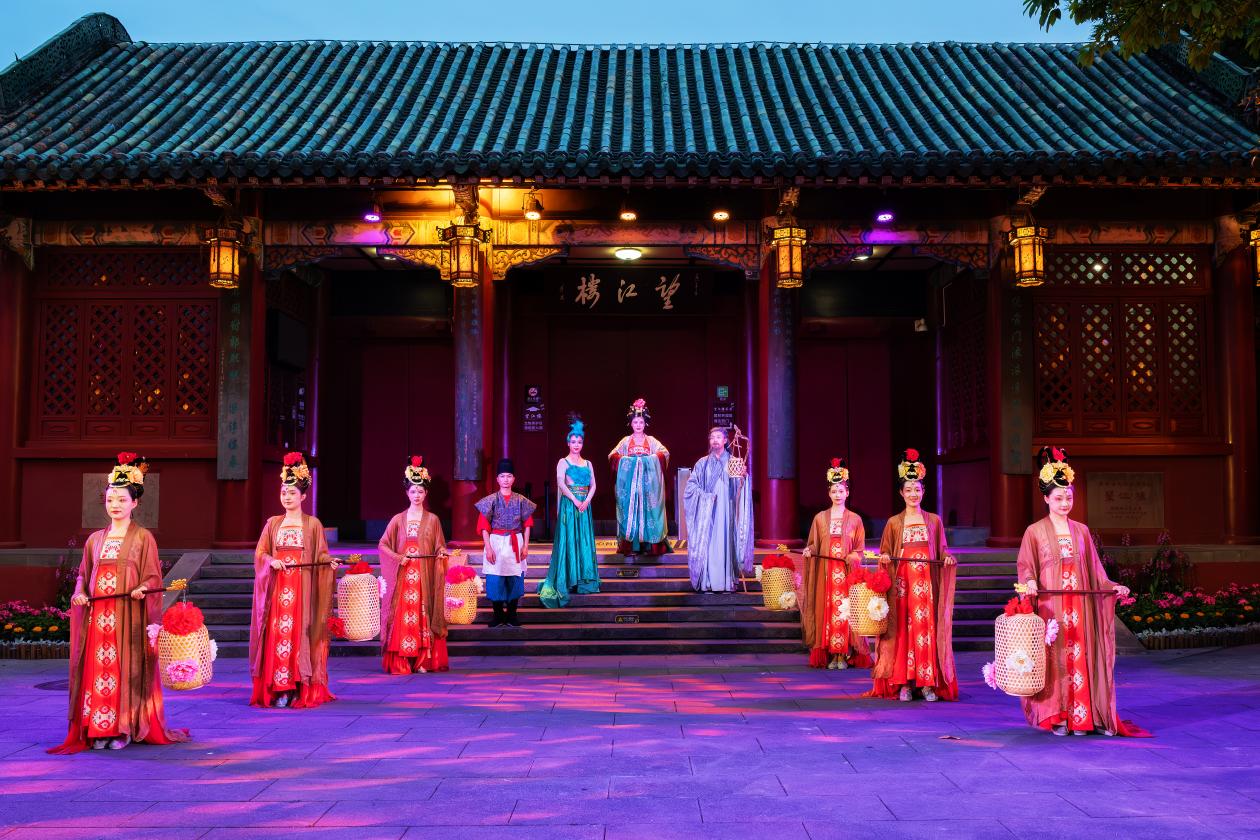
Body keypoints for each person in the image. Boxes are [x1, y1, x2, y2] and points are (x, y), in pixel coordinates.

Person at [50, 453, 189, 753]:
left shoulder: (143, 538)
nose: (115, 504)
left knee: (123, 670)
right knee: (97, 671)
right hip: (97, 620)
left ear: (134, 503)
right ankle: (98, 728)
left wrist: (142, 588)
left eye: (122, 500)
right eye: (110, 499)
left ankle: (122, 728)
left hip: (127, 618)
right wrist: (79, 593)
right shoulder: (94, 540)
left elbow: (153, 577)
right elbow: (83, 575)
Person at [1016, 446, 1147, 736]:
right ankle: (1059, 716)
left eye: (1069, 497)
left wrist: (1112, 586)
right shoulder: (1034, 531)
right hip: (1052, 608)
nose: (1065, 503)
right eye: (1058, 498)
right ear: (1046, 498)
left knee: (1081, 656)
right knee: (1057, 659)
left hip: (1080, 607)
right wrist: (1031, 582)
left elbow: (1095, 570)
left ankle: (1084, 717)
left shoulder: (1081, 531)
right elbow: (1026, 567)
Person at [249, 452, 339, 708]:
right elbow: (260, 553)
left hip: (302, 591)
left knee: (300, 635)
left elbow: (320, 554)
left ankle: (300, 685)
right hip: (277, 592)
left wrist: (328, 562)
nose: (287, 497)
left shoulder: (313, 524)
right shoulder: (273, 524)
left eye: (292, 493)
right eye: (283, 492)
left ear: (303, 497)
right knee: (278, 635)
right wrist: (271, 561)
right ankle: (280, 688)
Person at [869, 449, 959, 702]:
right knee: (903, 632)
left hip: (927, 587)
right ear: (901, 493)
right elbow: (885, 551)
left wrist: (948, 557)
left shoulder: (934, 521)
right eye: (908, 490)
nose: (913, 494)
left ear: (923, 491)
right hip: (903, 587)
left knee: (925, 630)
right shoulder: (893, 522)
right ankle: (904, 683)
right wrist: (885, 558)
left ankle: (927, 683)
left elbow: (942, 549)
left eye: (917, 489)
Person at [799, 458, 873, 670]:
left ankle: (844, 653)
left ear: (847, 493)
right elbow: (814, 544)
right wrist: (809, 550)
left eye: (841, 491)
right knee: (828, 612)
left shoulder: (856, 519)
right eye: (834, 491)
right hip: (826, 576)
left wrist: (853, 556)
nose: (838, 495)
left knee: (846, 611)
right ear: (829, 494)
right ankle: (832, 654)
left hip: (847, 576)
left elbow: (860, 550)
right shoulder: (820, 518)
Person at [377, 455, 449, 673]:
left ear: (426, 493)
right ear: (407, 493)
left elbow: (440, 546)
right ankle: (402, 660)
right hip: (403, 577)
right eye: (413, 491)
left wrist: (442, 553)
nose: (417, 495)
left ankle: (421, 660)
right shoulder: (398, 519)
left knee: (422, 615)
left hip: (423, 578)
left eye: (420, 491)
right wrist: (398, 558)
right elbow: (383, 545)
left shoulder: (433, 520)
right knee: (403, 616)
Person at [682, 426, 754, 592]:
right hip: (708, 510)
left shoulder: (733, 461)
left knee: (726, 542)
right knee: (709, 544)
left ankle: (726, 582)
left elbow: (740, 486)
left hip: (727, 510)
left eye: (718, 437)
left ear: (725, 440)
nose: (715, 440)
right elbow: (690, 487)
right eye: (712, 437)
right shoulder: (702, 463)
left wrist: (744, 477)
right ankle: (708, 581)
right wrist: (705, 497)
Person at [538, 417, 600, 608]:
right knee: (569, 540)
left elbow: (593, 485)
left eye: (579, 441)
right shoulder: (563, 462)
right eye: (573, 441)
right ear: (568, 443)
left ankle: (583, 579)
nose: (576, 445)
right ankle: (568, 578)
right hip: (570, 504)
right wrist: (575, 500)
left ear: (583, 443)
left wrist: (586, 501)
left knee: (584, 541)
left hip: (584, 506)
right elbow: (560, 483)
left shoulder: (588, 463)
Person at [476, 459, 536, 628]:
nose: (506, 479)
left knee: (514, 578)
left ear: (513, 479)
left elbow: (527, 524)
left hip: (515, 541)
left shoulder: (521, 500)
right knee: (495, 579)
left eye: (509, 476)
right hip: (496, 541)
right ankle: (497, 615)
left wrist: (526, 546)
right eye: (502, 476)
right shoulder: (489, 501)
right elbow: (484, 527)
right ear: (497, 479)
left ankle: (511, 615)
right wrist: (488, 548)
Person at [608, 398, 671, 560]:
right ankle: (632, 546)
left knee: (649, 513)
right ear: (631, 423)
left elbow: (664, 454)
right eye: (635, 422)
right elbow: (612, 456)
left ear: (645, 423)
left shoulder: (651, 441)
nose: (638, 425)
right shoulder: (625, 441)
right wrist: (628, 461)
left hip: (648, 486)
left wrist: (648, 460)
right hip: (630, 487)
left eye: (641, 422)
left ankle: (651, 546)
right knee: (631, 514)